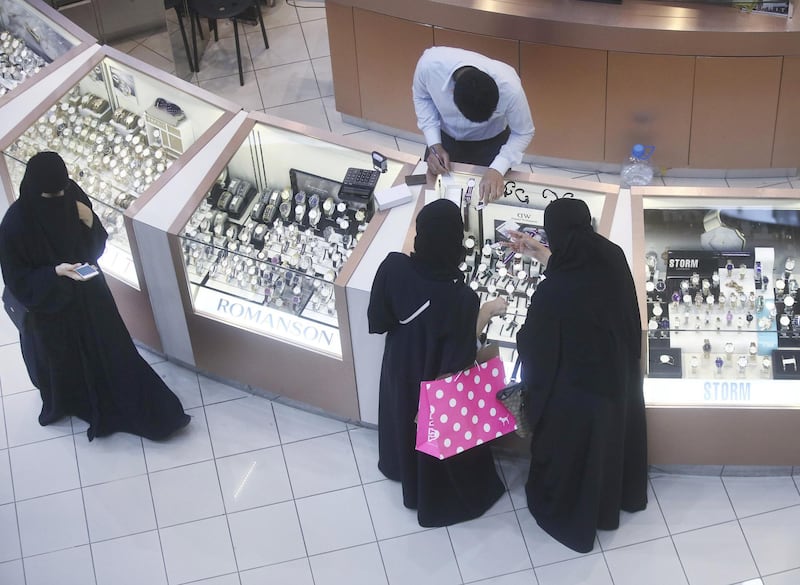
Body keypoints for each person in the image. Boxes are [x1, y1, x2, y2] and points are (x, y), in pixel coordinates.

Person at [0, 151, 190, 441]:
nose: (61, 196)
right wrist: (54, 273)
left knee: (111, 351)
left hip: (89, 296)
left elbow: (94, 244)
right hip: (52, 310)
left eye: (63, 190)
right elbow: (16, 278)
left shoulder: (70, 193)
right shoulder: (15, 225)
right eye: (54, 194)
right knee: (65, 361)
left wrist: (89, 221)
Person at [507, 198, 648, 553]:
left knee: (568, 457)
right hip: (616, 386)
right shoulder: (611, 255)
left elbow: (534, 346)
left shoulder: (554, 293)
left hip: (575, 401)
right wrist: (544, 255)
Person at [368, 199, 508, 527]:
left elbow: (378, 320)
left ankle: (399, 469)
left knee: (400, 416)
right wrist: (485, 313)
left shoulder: (392, 267)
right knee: (432, 428)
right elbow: (460, 358)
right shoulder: (462, 298)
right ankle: (427, 491)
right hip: (434, 380)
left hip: (400, 366)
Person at [412, 46, 535, 203]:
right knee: (432, 197)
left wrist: (498, 167)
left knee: (487, 201)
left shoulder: (510, 88)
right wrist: (434, 144)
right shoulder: (429, 66)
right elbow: (422, 97)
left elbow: (523, 132)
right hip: (444, 139)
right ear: (451, 92)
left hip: (491, 145)